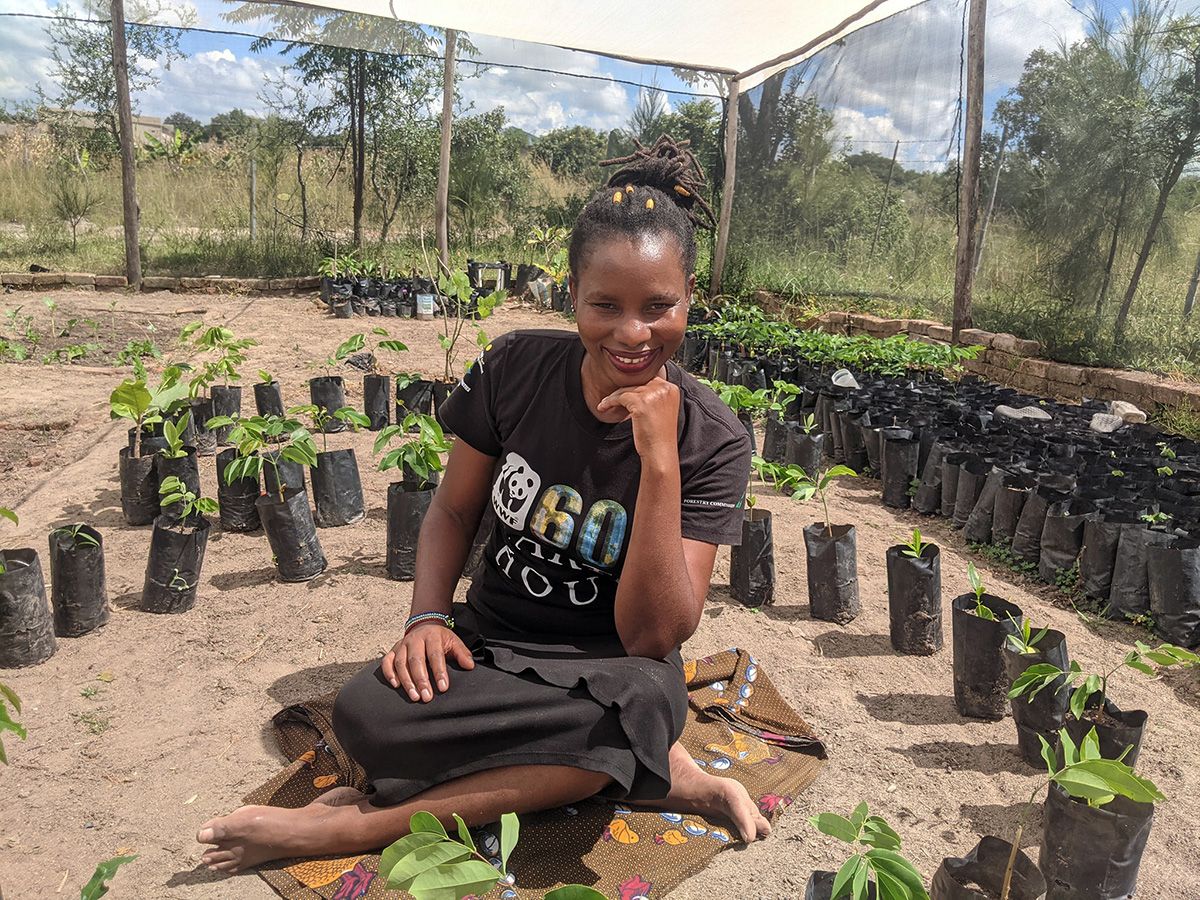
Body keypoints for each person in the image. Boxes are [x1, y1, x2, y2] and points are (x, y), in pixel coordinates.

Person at [198, 136, 768, 873]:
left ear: (692, 298)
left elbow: (651, 634)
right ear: (572, 296)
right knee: (365, 716)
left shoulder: (713, 438)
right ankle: (647, 765)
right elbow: (453, 512)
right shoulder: (516, 369)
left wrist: (660, 461)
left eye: (659, 306)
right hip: (495, 642)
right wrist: (427, 619)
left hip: (613, 664)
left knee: (639, 708)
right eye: (606, 305)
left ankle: (355, 828)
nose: (633, 333)